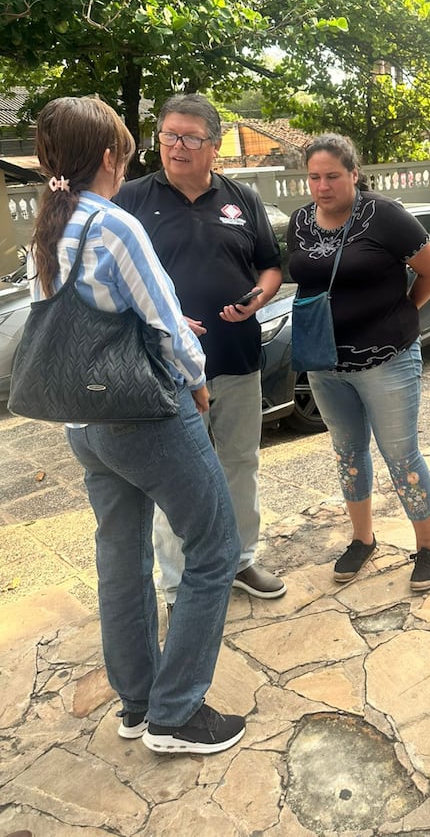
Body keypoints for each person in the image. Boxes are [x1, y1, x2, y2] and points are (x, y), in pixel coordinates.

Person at [30, 96, 244, 754]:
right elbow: (166, 319)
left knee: (120, 559)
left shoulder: (48, 228)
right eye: (124, 153)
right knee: (215, 546)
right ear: (107, 158)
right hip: (144, 414)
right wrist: (198, 379)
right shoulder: (112, 225)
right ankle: (176, 714)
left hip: (84, 423)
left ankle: (138, 703)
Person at [115, 94, 285, 614]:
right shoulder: (131, 199)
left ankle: (240, 560)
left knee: (240, 463)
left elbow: (270, 267)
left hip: (237, 358)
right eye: (168, 135)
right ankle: (178, 585)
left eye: (190, 137)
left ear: (214, 146)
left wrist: (259, 297)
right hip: (166, 369)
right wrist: (160, 319)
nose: (177, 146)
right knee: (176, 479)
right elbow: (111, 281)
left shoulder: (242, 199)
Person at [287, 134, 430, 590]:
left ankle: (429, 545)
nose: (322, 186)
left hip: (387, 361)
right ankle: (362, 539)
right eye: (314, 177)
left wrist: (401, 313)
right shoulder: (300, 221)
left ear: (354, 174)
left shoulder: (385, 215)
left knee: (400, 454)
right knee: (347, 453)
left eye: (332, 176)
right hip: (325, 363)